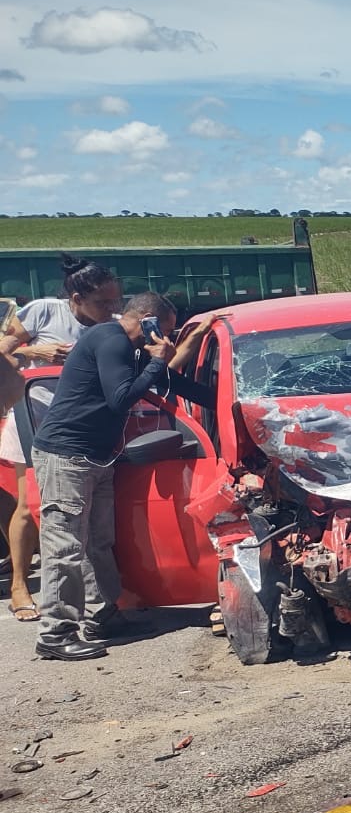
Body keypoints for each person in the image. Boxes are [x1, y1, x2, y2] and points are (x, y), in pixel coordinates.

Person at [31, 293, 213, 661]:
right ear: (146, 320)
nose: (168, 338)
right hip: (67, 456)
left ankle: (102, 616)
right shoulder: (110, 339)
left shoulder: (130, 349)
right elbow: (120, 398)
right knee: (65, 546)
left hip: (95, 456)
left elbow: (169, 383)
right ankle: (55, 632)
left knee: (98, 542)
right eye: (164, 329)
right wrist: (156, 360)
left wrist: (225, 402)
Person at [0, 254, 124, 623]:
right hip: (33, 416)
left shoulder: (110, 328)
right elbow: (3, 350)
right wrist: (34, 351)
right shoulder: (44, 312)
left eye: (116, 300)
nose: (111, 308)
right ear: (75, 299)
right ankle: (20, 586)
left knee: (85, 524)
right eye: (103, 302)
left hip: (79, 431)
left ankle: (98, 604)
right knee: (28, 505)